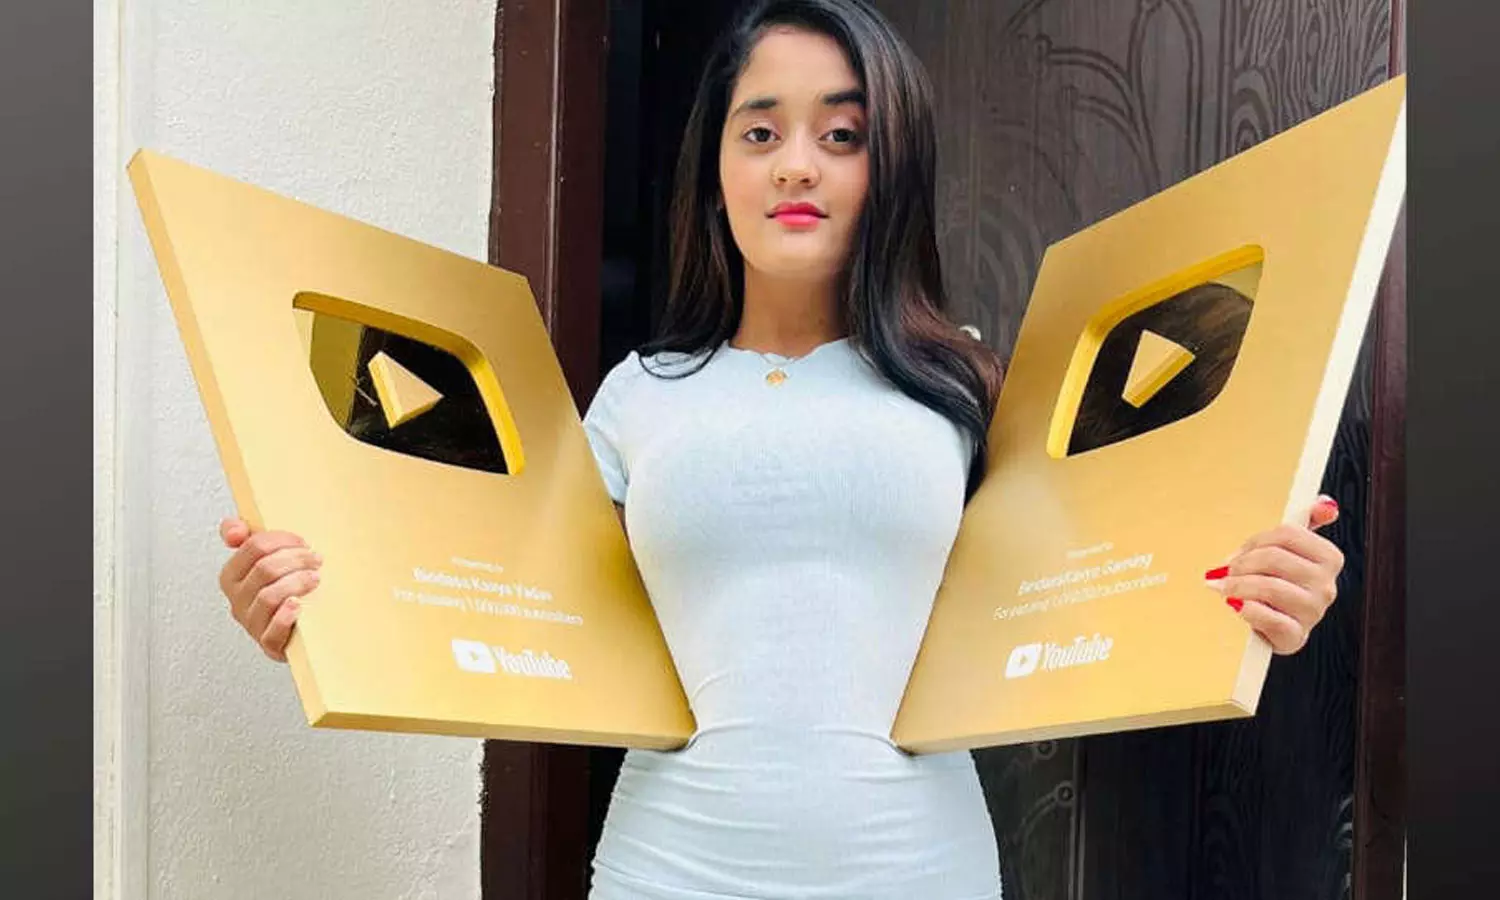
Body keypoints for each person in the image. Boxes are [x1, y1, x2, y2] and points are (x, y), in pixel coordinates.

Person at [214, 1, 1346, 897]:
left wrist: (1253, 593)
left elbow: (1107, 584)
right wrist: (317, 605)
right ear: (716, 169)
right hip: (668, 870)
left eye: (842, 135)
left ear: (890, 168)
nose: (797, 165)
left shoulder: (976, 392)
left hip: (917, 872)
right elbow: (495, 597)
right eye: (760, 132)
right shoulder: (638, 398)